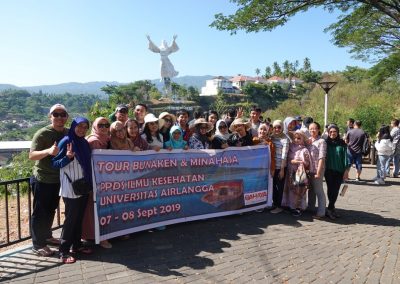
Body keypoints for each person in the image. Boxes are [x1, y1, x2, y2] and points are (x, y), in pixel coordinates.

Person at [29, 104, 69, 257]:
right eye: (56, 114)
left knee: (51, 209)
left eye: (62, 114)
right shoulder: (42, 133)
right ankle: (38, 244)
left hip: (58, 179)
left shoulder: (67, 132)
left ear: (67, 117)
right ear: (50, 116)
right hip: (43, 178)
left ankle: (47, 236)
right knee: (40, 212)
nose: (59, 117)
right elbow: (31, 155)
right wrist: (48, 151)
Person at [52, 117, 93, 264]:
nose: (82, 129)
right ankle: (63, 251)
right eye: (79, 126)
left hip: (83, 186)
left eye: (85, 127)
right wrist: (67, 158)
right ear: (73, 126)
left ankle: (76, 245)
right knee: (70, 220)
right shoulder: (66, 141)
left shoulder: (84, 143)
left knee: (78, 218)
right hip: (70, 188)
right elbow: (54, 163)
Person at [82, 117, 112, 249]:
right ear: (95, 126)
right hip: (96, 181)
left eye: (106, 125)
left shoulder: (106, 139)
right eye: (100, 125)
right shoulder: (94, 141)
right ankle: (99, 237)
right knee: (95, 210)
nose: (104, 128)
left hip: (105, 181)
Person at [281, 130, 312, 217]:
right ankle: (289, 206)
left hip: (299, 173)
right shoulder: (290, 147)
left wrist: (298, 162)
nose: (297, 140)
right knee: (290, 189)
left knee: (298, 190)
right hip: (290, 172)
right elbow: (286, 157)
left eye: (299, 138)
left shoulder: (304, 149)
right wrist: (291, 161)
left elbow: (307, 162)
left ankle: (297, 207)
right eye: (295, 138)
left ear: (303, 139)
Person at [325, 124, 350, 220]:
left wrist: (346, 171)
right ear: (328, 132)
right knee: (331, 190)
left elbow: (345, 158)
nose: (332, 133)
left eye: (334, 132)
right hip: (328, 170)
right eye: (330, 132)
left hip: (339, 170)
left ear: (337, 132)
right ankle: (331, 209)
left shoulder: (342, 143)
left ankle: (331, 208)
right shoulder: (326, 143)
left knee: (335, 190)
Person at [307, 122, 327, 219]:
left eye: (314, 128)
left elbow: (321, 158)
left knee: (318, 190)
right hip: (309, 169)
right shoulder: (309, 140)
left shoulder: (322, 141)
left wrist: (318, 172)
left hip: (317, 169)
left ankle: (321, 212)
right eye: (310, 129)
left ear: (319, 129)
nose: (312, 130)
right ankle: (310, 207)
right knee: (311, 190)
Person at [270, 120, 289, 214]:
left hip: (280, 167)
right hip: (272, 167)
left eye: (279, 127)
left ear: (282, 128)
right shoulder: (271, 137)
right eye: (275, 127)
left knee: (280, 187)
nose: (277, 129)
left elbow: (284, 156)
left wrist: (282, 170)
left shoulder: (285, 139)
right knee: (273, 186)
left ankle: (279, 206)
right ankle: (275, 203)